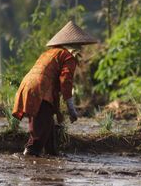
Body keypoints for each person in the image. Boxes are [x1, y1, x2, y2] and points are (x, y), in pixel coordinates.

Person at [12, 21, 97, 156]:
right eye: (79, 45)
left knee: (47, 123)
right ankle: (30, 152)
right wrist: (71, 108)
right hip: (41, 89)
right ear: (74, 46)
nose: (81, 48)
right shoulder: (68, 56)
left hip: (28, 86)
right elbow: (66, 81)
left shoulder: (50, 53)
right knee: (40, 125)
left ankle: (51, 152)